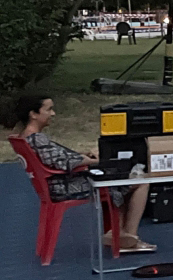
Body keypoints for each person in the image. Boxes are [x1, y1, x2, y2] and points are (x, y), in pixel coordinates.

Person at [10, 93, 153, 252]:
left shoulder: (24, 137)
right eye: (49, 109)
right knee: (139, 182)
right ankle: (131, 237)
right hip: (65, 186)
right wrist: (95, 160)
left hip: (55, 185)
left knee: (120, 180)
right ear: (33, 114)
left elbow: (54, 157)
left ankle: (119, 233)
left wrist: (83, 155)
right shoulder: (37, 138)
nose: (53, 113)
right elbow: (64, 162)